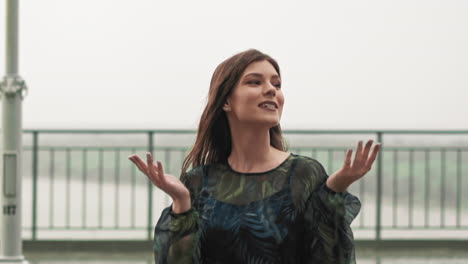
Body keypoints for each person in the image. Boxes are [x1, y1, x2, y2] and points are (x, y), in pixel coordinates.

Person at [128, 49, 380, 264]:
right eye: (255, 82)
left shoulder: (303, 175)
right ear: (226, 101)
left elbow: (331, 256)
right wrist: (181, 202)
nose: (271, 90)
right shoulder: (198, 182)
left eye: (276, 84)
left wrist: (335, 189)